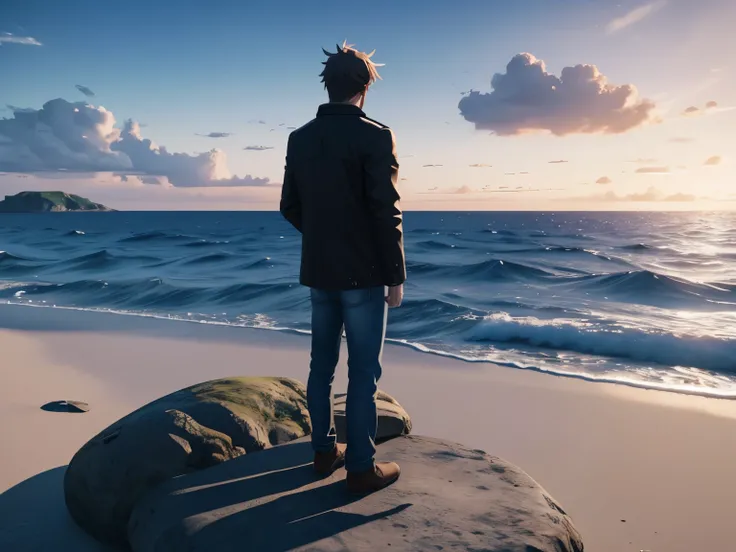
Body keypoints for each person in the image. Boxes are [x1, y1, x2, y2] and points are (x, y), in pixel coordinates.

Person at [279, 41, 406, 495]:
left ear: (327, 85)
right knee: (363, 374)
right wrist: (395, 275)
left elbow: (289, 206)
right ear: (365, 87)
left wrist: (322, 239)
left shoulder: (300, 137)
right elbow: (385, 210)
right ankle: (360, 467)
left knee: (321, 367)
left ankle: (322, 452)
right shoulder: (376, 135)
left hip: (319, 270)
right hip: (365, 274)